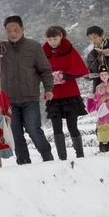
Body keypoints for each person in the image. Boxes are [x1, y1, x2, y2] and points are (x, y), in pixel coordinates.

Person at [0, 15, 55, 164]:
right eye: (9, 30)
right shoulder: (1, 47)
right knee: (15, 132)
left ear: (23, 29)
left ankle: (47, 156)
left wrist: (48, 89)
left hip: (30, 97)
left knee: (33, 129)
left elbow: (45, 70)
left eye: (16, 30)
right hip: (9, 99)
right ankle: (23, 161)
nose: (13, 33)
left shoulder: (33, 46)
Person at [43, 26, 89, 160]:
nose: (52, 41)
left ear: (61, 36)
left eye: (55, 38)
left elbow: (79, 68)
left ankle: (80, 155)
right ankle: (62, 157)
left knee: (72, 126)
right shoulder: (43, 52)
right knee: (56, 127)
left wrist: (65, 76)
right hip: (53, 94)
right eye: (49, 39)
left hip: (70, 93)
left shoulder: (69, 50)